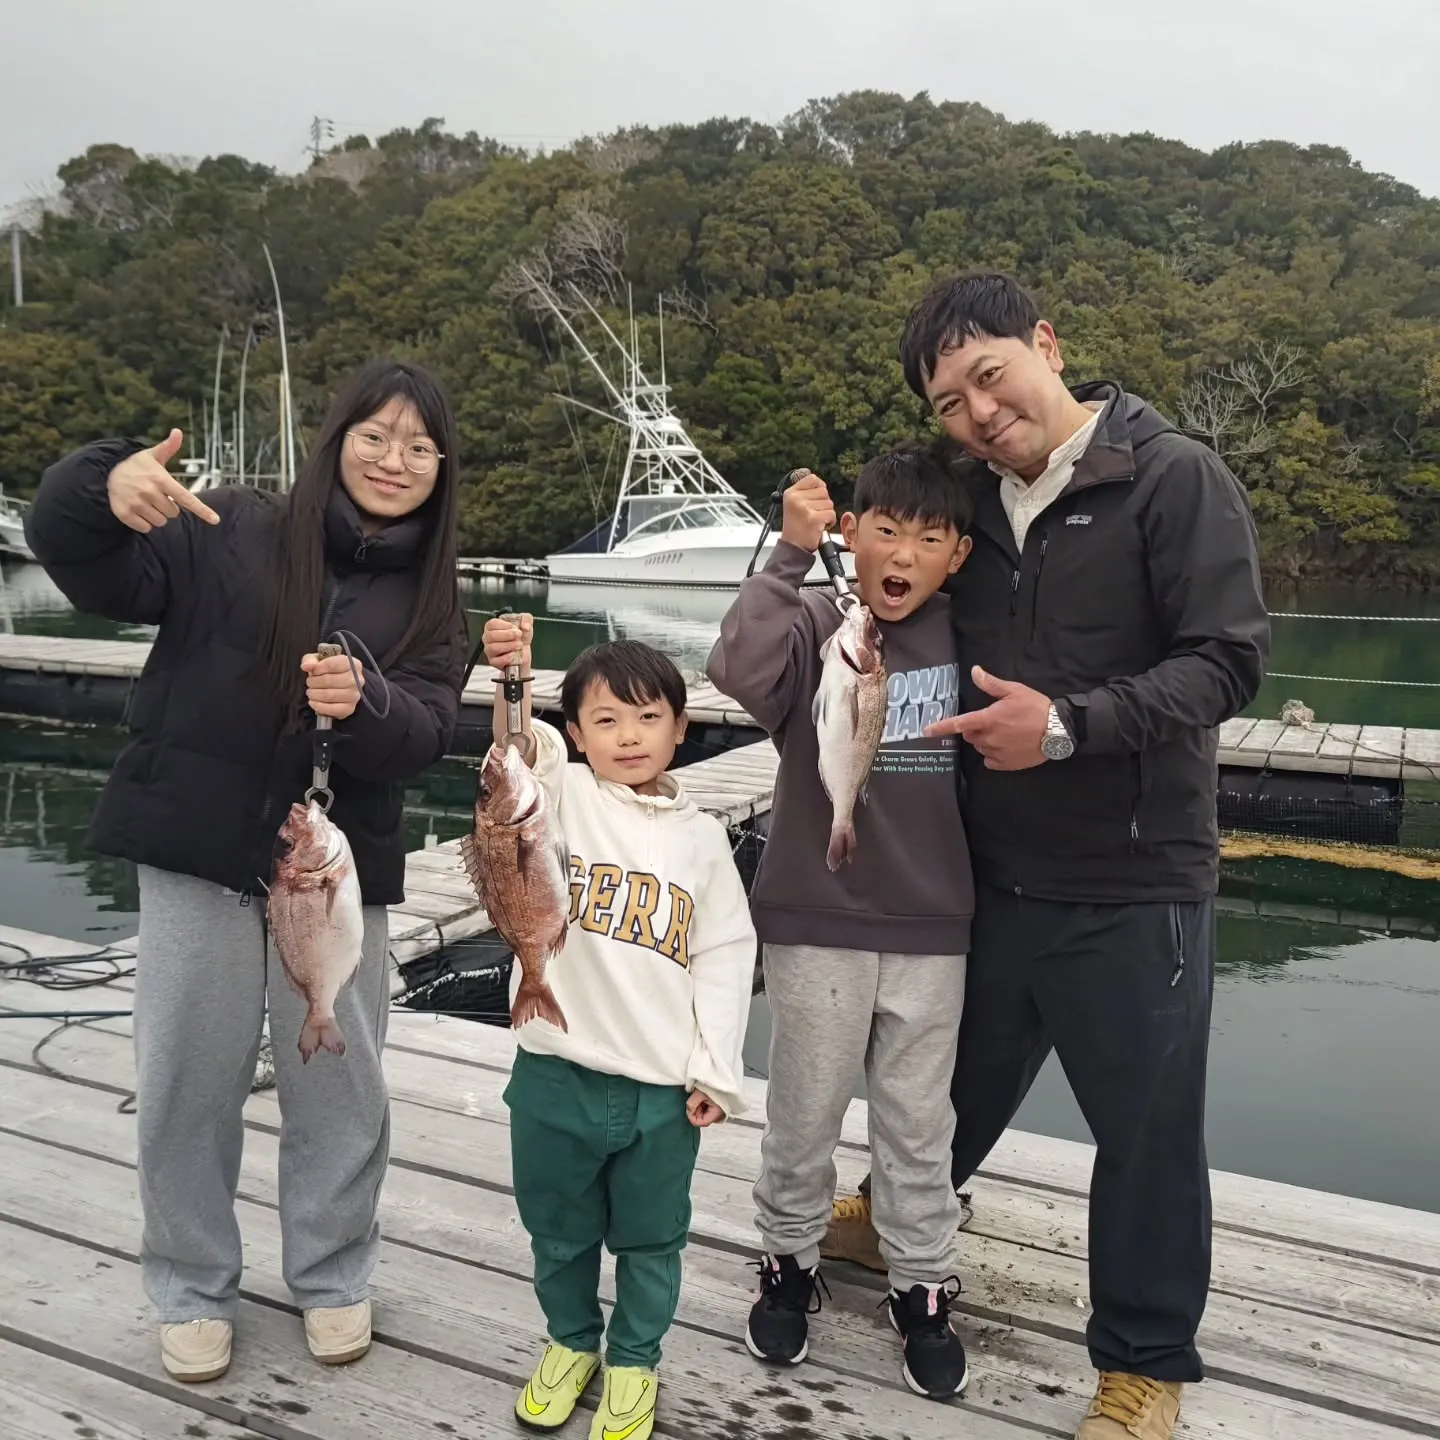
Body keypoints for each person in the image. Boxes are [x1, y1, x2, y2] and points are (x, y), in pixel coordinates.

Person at [827, 273, 1269, 1440]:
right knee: (944, 1081)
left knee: (1145, 1136)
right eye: (948, 399)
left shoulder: (1172, 480)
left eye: (988, 374)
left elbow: (1227, 664)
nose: (977, 410)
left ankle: (1143, 1366)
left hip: (1134, 879)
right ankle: (900, 1208)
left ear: (1046, 345)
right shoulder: (964, 505)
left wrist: (1068, 725)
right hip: (986, 872)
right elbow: (882, 560)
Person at [24, 360, 469, 1383]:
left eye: (418, 445)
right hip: (199, 855)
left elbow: (429, 732)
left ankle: (334, 1273)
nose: (393, 459)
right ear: (336, 437)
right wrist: (97, 487)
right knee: (186, 1075)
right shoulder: (226, 526)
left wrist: (368, 704)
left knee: (342, 1083)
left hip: (335, 881)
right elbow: (91, 566)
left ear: (441, 469)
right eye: (375, 434)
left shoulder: (431, 598)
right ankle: (190, 1284)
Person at [705, 446, 976, 1401]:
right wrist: (787, 554)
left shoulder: (973, 639)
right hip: (817, 914)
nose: (904, 552)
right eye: (887, 530)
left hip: (935, 926)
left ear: (959, 555)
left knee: (917, 1123)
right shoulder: (822, 622)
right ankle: (787, 1259)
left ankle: (921, 1281)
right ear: (852, 536)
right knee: (805, 1108)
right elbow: (733, 665)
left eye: (930, 537)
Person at [478, 621, 756, 1440]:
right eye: (604, 720)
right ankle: (572, 1343)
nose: (627, 737)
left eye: (646, 718)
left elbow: (726, 955)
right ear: (577, 736)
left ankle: (635, 1358)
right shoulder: (561, 799)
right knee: (557, 1236)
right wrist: (514, 678)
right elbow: (517, 751)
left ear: (679, 728)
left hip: (661, 1095)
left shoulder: (704, 840)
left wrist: (716, 1071)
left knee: (651, 1240)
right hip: (553, 1073)